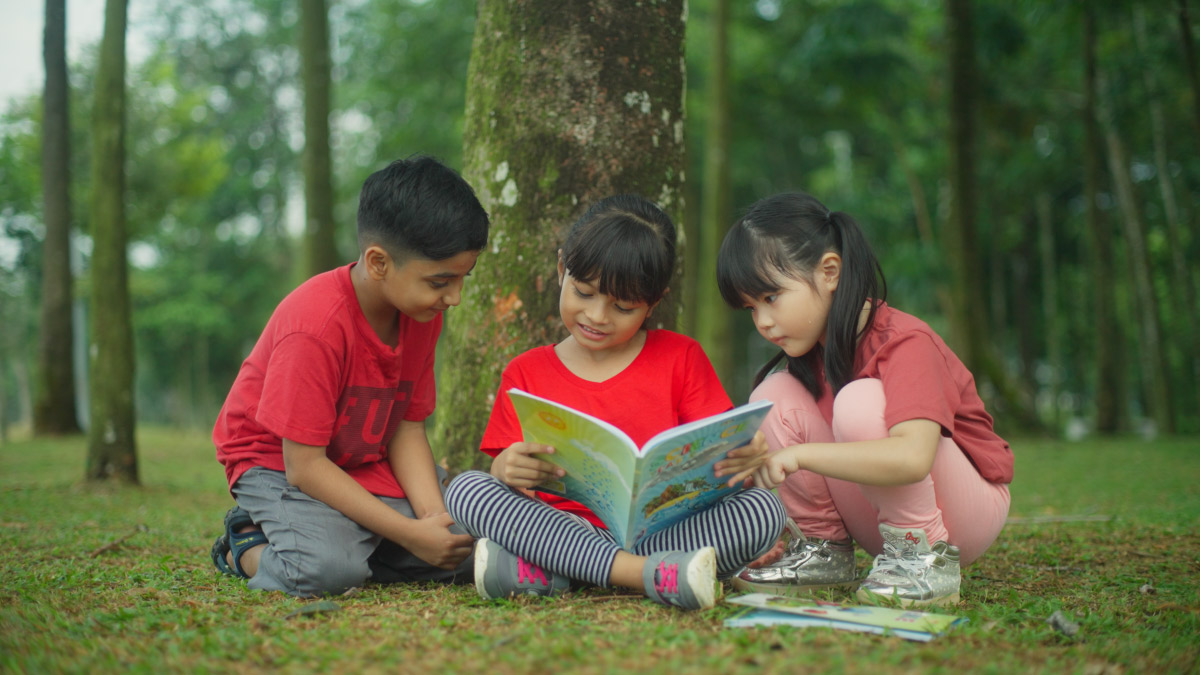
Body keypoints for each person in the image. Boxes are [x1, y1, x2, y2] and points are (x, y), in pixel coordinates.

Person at [443, 194, 786, 611]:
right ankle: (646, 575)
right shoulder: (526, 372)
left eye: (623, 307)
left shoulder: (681, 357)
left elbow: (720, 451)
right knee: (468, 489)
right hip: (561, 529)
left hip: (664, 533)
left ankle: (555, 574)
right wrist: (507, 467)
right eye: (584, 293)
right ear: (560, 270)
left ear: (654, 302)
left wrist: (744, 456)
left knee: (762, 510)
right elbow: (505, 473)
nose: (597, 316)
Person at [715, 191, 1011, 608]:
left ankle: (923, 559)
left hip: (961, 514)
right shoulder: (808, 357)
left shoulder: (906, 342)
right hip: (878, 520)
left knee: (858, 402)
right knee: (770, 395)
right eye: (750, 307)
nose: (762, 322)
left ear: (829, 271)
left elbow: (912, 459)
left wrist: (800, 455)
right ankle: (824, 552)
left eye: (771, 297)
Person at [209, 156, 488, 597]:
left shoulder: (419, 312)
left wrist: (434, 521)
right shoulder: (315, 325)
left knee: (472, 549)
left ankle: (359, 540)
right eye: (440, 281)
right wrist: (411, 535)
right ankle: (245, 541)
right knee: (327, 572)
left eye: (462, 279)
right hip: (279, 463)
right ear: (378, 262)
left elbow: (406, 426)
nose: (454, 297)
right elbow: (304, 467)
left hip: (360, 461)